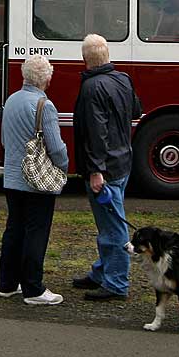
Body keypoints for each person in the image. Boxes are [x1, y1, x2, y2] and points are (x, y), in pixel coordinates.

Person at [71, 33, 141, 301]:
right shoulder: (123, 79)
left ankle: (116, 283)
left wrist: (95, 170)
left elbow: (95, 132)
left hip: (106, 168)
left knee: (112, 227)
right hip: (123, 161)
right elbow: (136, 110)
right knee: (109, 222)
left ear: (85, 59)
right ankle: (102, 272)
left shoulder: (91, 88)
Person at [0, 54, 69, 305]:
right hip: (37, 181)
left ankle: (7, 283)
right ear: (47, 79)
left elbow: (5, 141)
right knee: (36, 232)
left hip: (12, 177)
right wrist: (64, 166)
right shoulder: (44, 106)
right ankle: (33, 289)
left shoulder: (12, 101)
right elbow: (56, 148)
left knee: (14, 229)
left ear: (25, 75)